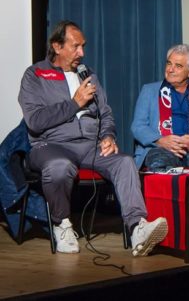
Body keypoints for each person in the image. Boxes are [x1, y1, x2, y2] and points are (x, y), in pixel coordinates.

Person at [18, 20, 168, 256]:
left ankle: (137, 227)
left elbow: (105, 114)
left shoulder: (87, 75)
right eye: (76, 46)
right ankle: (62, 225)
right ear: (57, 46)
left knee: (125, 162)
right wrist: (74, 104)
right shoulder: (35, 75)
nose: (82, 53)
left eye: (83, 46)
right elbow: (35, 121)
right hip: (51, 145)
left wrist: (108, 135)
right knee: (59, 167)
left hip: (90, 146)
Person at [131, 44, 189, 223]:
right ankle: (165, 221)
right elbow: (138, 126)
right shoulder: (150, 91)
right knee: (160, 161)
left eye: (178, 66)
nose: (170, 69)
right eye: (169, 63)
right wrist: (160, 140)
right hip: (160, 148)